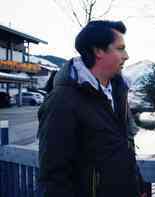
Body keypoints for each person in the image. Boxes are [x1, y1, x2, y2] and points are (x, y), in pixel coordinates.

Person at [37, 20, 145, 197]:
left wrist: (138, 185)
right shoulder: (62, 101)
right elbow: (53, 177)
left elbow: (123, 148)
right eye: (120, 48)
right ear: (98, 51)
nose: (126, 56)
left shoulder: (119, 93)